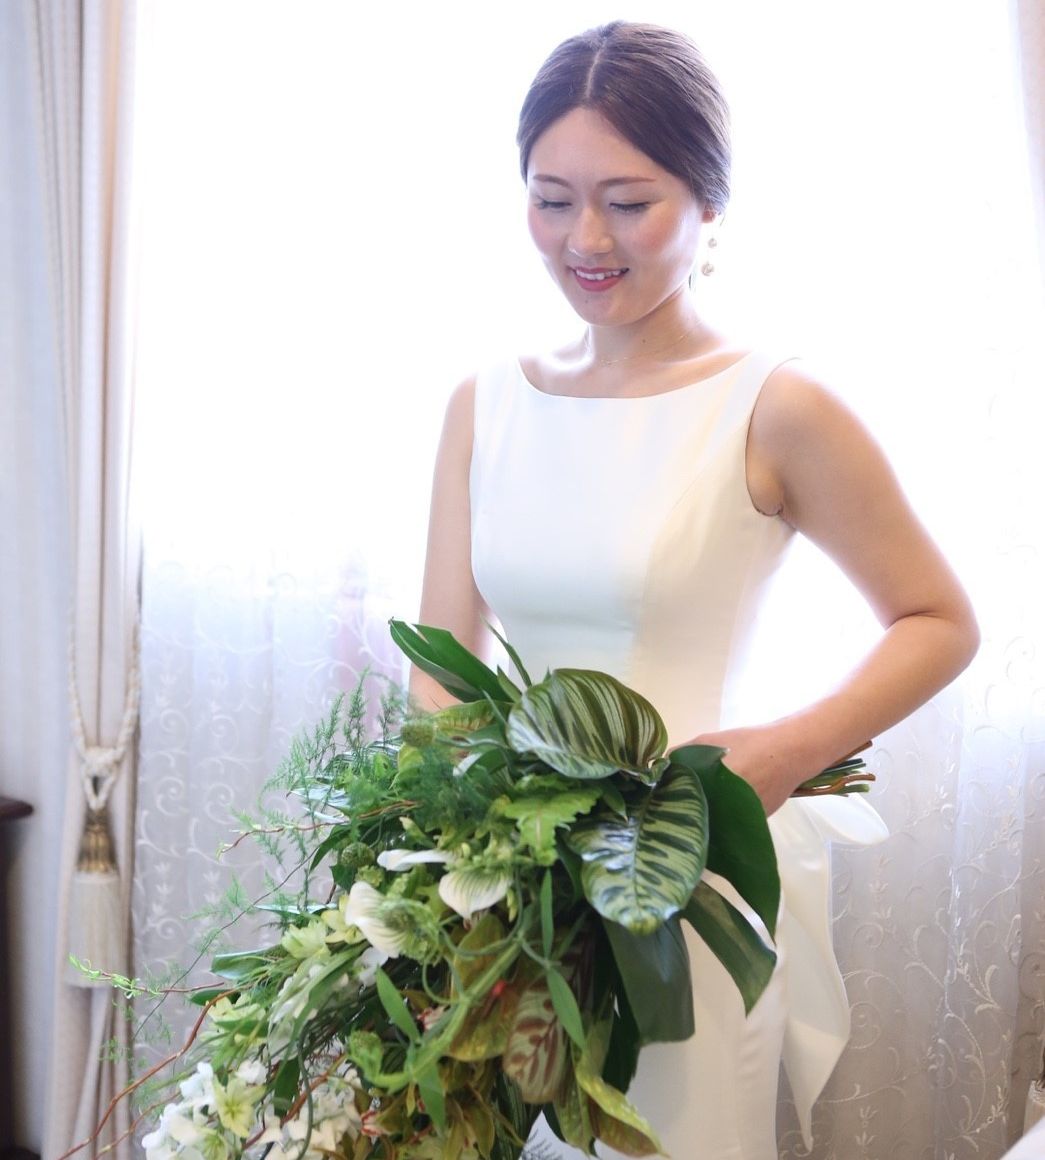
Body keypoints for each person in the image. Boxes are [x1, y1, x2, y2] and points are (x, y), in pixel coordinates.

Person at [410, 21, 978, 1160]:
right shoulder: (484, 403)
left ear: (709, 201)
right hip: (513, 897)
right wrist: (454, 858)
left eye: (628, 202)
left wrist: (782, 752)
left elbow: (940, 622)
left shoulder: (777, 405)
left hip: (686, 887)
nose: (585, 238)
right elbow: (441, 667)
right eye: (551, 199)